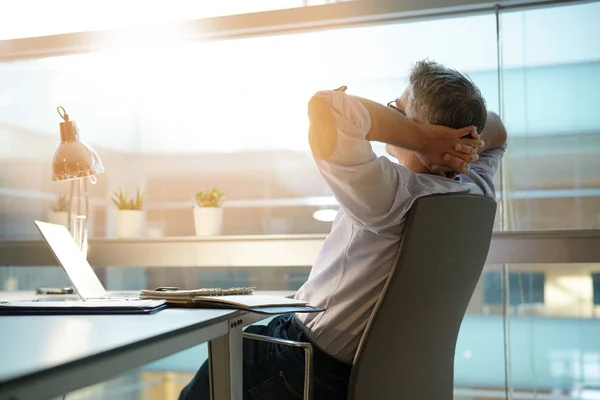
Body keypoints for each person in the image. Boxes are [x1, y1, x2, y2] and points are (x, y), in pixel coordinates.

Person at [179, 60, 507, 400]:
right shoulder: (474, 190)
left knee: (208, 380)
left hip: (306, 365)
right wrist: (462, 141)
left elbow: (326, 108)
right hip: (373, 378)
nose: (390, 115)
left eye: (397, 110)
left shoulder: (392, 194)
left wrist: (421, 137)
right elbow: (499, 131)